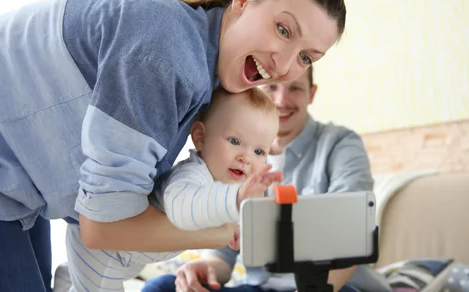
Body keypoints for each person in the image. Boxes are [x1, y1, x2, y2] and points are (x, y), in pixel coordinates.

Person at [0, 0, 346, 292]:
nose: (283, 64)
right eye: (283, 29)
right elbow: (102, 227)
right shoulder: (169, 53)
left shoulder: (201, 69)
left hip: (13, 187)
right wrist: (227, 230)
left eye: (307, 57)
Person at [142, 66, 377, 292]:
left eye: (295, 88)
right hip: (260, 287)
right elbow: (226, 250)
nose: (281, 101)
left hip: (328, 286)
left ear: (311, 94)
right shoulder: (234, 160)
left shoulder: (339, 143)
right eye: (272, 87)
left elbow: (353, 230)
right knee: (160, 287)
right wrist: (206, 268)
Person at [54, 87, 283, 292]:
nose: (246, 158)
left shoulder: (231, 186)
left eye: (259, 152)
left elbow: (227, 220)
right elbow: (183, 209)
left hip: (131, 256)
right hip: (107, 249)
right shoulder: (193, 175)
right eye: (235, 141)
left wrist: (242, 228)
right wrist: (235, 201)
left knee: (86, 280)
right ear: (200, 137)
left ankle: (66, 280)